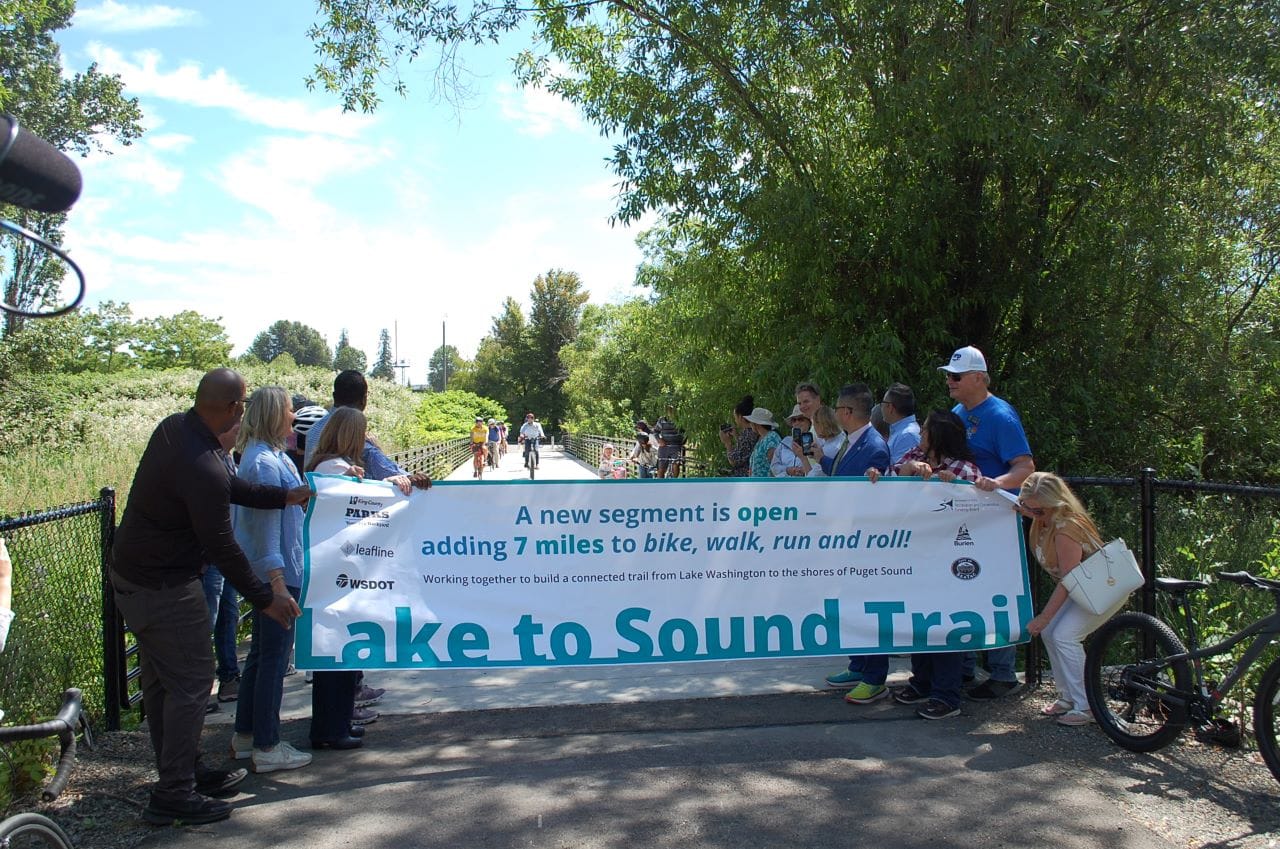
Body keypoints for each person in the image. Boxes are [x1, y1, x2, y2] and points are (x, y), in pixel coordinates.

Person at [110, 368, 308, 826]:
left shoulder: (177, 430)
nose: (243, 414)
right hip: (164, 586)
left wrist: (283, 497)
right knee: (193, 682)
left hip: (135, 576)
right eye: (242, 405)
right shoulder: (202, 464)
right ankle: (175, 793)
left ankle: (182, 771)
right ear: (234, 407)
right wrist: (265, 598)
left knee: (163, 684)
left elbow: (231, 486)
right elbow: (223, 545)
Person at [869, 411, 981, 720]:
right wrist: (900, 471)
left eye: (926, 431)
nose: (920, 436)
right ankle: (922, 682)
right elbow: (886, 480)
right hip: (914, 556)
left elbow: (978, 507)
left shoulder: (963, 469)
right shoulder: (914, 457)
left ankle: (947, 695)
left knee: (944, 626)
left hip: (948, 562)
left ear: (939, 436)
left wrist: (955, 486)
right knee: (920, 622)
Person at [941, 345, 1035, 701]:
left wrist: (997, 483)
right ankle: (965, 666)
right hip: (963, 519)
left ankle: (1002, 673)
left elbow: (1025, 467)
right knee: (961, 586)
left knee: (996, 591)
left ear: (979, 378)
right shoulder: (957, 414)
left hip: (995, 521)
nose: (950, 382)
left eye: (956, 376)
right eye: (949, 376)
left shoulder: (1000, 416)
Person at [228, 388, 312, 774]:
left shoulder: (268, 456)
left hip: (276, 571)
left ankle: (246, 735)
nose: (294, 417)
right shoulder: (263, 463)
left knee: (262, 655)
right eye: (290, 410)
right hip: (278, 575)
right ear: (274, 414)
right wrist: (277, 583)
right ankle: (267, 744)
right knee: (274, 659)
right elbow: (264, 531)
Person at [1017, 472, 1109, 727]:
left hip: (1100, 589)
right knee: (1050, 633)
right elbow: (1023, 508)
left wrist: (1044, 617)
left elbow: (1070, 579)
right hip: (1082, 587)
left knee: (1065, 636)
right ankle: (1068, 697)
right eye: (1027, 506)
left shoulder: (1066, 528)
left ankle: (1088, 705)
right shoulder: (1044, 516)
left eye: (1037, 510)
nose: (1031, 513)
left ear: (1054, 505)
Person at [819, 383, 891, 701]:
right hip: (844, 539)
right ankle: (859, 664)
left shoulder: (874, 447)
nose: (835, 413)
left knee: (867, 605)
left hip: (863, 542)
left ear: (846, 412)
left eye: (837, 408)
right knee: (849, 603)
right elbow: (840, 479)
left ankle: (875, 677)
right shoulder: (852, 442)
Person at [203, 423, 244, 709]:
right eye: (235, 427)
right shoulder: (206, 462)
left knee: (228, 614)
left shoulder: (229, 460)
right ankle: (201, 688)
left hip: (230, 551)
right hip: (211, 555)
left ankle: (229, 676)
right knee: (208, 618)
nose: (239, 431)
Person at [719, 395, 759, 477]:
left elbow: (734, 461)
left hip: (744, 477)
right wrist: (736, 436)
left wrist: (727, 443)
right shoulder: (753, 431)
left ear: (740, 417)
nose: (735, 420)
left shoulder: (747, 435)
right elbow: (744, 451)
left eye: (735, 417)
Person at [881, 383, 921, 464]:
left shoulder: (907, 436)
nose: (881, 407)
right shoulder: (901, 432)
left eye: (882, 403)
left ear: (890, 407)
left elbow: (899, 470)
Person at [772, 405, 816, 477]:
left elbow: (819, 466)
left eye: (801, 419)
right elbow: (774, 466)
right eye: (794, 420)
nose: (797, 422)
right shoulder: (784, 443)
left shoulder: (815, 441)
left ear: (809, 422)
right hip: (785, 482)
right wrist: (787, 470)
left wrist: (804, 469)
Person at [739, 407, 779, 477]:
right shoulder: (761, 438)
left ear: (756, 424)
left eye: (751, 422)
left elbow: (775, 466)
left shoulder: (771, 438)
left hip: (766, 483)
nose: (750, 424)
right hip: (757, 483)